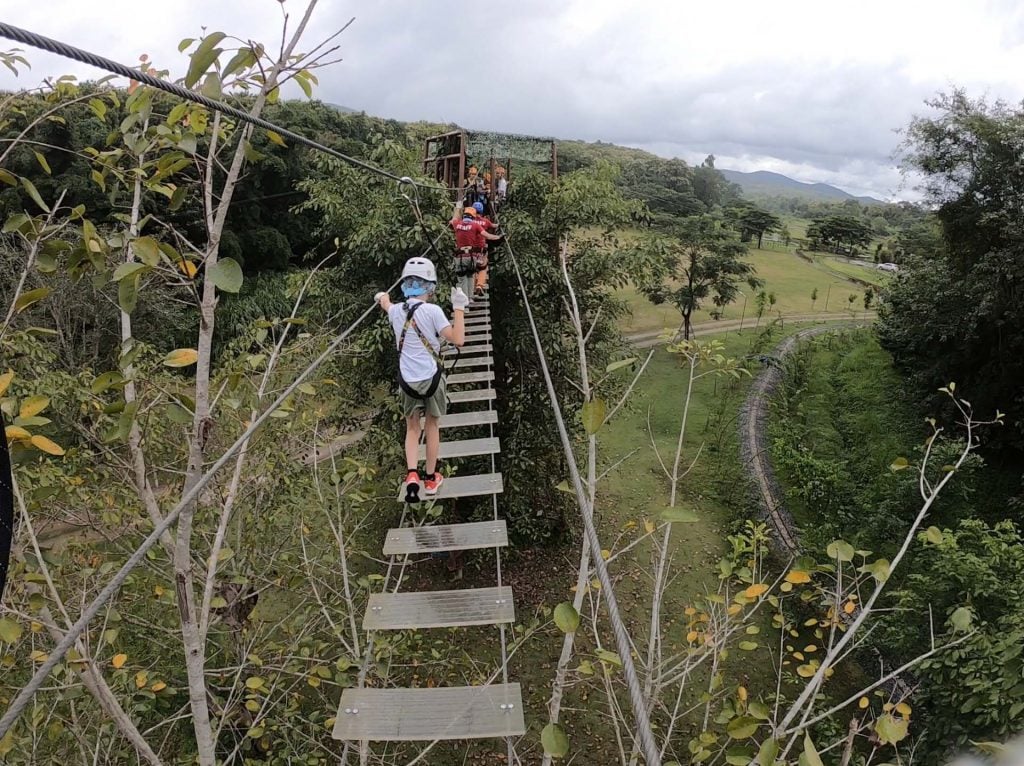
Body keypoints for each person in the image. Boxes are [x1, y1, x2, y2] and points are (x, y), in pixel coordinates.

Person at [376, 258, 469, 503]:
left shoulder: (396, 312)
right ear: (431, 287)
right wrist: (459, 307)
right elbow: (458, 339)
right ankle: (430, 478)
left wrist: (382, 298)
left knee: (412, 428)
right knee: (432, 427)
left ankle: (412, 476)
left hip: (407, 381)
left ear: (405, 285)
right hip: (431, 379)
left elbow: (387, 305)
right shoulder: (434, 312)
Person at [450, 205, 501, 299]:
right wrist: (498, 237)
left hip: (460, 257)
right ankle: (470, 298)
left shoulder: (457, 223)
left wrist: (458, 207)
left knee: (462, 280)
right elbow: (488, 235)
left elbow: (453, 220)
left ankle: (464, 303)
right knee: (470, 276)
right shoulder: (477, 225)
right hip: (472, 256)